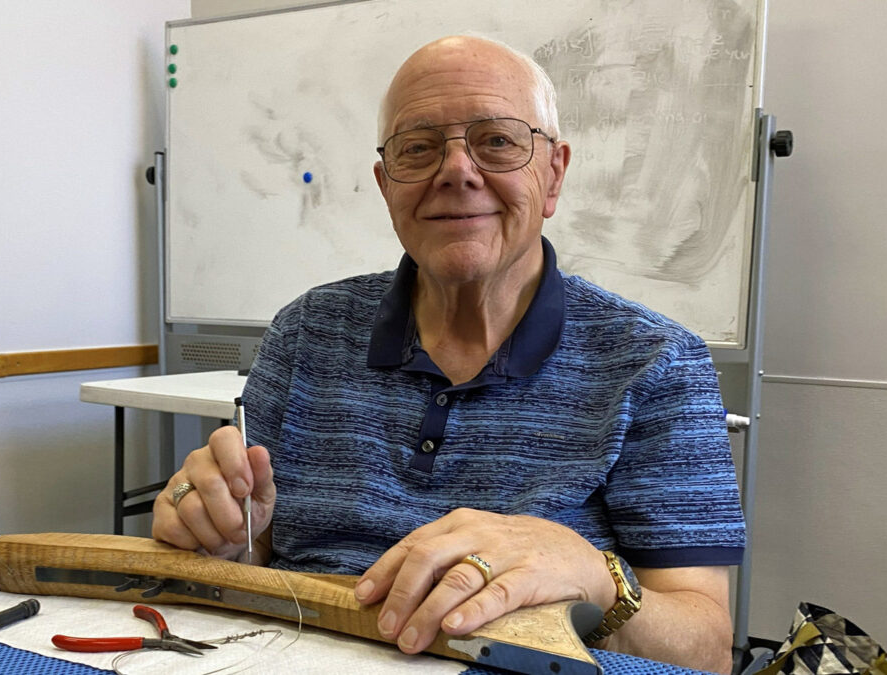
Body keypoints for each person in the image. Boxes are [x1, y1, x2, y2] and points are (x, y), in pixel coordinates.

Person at [152, 34, 745, 674]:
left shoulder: (656, 360)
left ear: (553, 174)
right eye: (418, 147)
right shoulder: (306, 331)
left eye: (497, 141)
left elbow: (705, 647)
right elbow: (252, 560)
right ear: (387, 187)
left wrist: (594, 576)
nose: (456, 171)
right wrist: (219, 532)